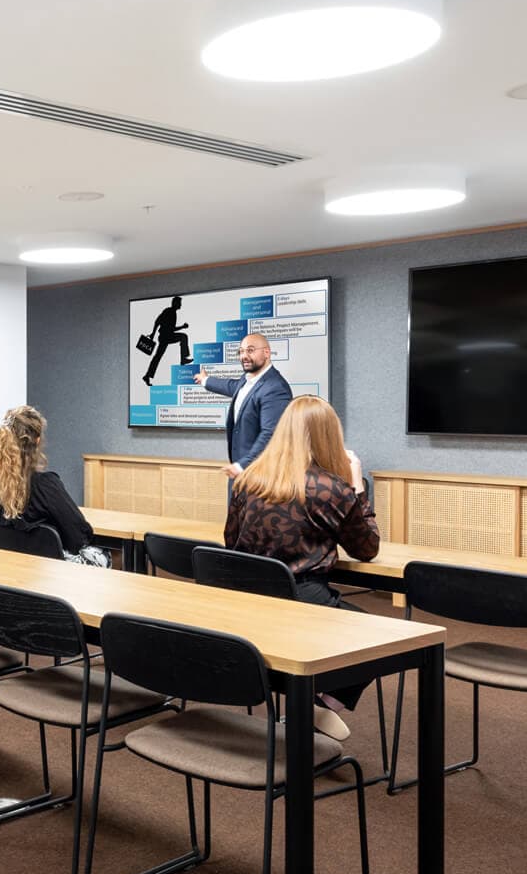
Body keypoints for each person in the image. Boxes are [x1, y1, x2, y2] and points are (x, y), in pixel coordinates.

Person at [223, 394, 379, 740]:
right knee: (379, 636)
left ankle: (308, 703)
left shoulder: (248, 481)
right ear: (329, 437)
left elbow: (229, 543)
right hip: (302, 602)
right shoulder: (332, 489)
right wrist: (356, 487)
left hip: (248, 602)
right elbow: (367, 548)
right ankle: (320, 704)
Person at [0, 404, 109, 568]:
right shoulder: (46, 485)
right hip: (47, 575)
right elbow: (80, 536)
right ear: (37, 440)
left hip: (7, 568)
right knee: (110, 555)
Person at [195, 332, 294, 477]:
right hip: (241, 470)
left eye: (250, 350)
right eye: (241, 351)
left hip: (260, 474)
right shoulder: (248, 379)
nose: (244, 356)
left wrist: (243, 465)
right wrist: (206, 380)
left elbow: (271, 433)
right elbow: (232, 386)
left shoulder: (275, 388)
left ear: (267, 353)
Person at [140, 295, 192, 385]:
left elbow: (171, 329)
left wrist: (182, 327)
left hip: (167, 336)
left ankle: (147, 376)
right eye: (179, 303)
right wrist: (153, 333)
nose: (180, 305)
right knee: (183, 337)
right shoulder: (169, 311)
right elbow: (158, 321)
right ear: (175, 303)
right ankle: (183, 359)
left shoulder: (172, 312)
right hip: (165, 337)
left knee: (158, 356)